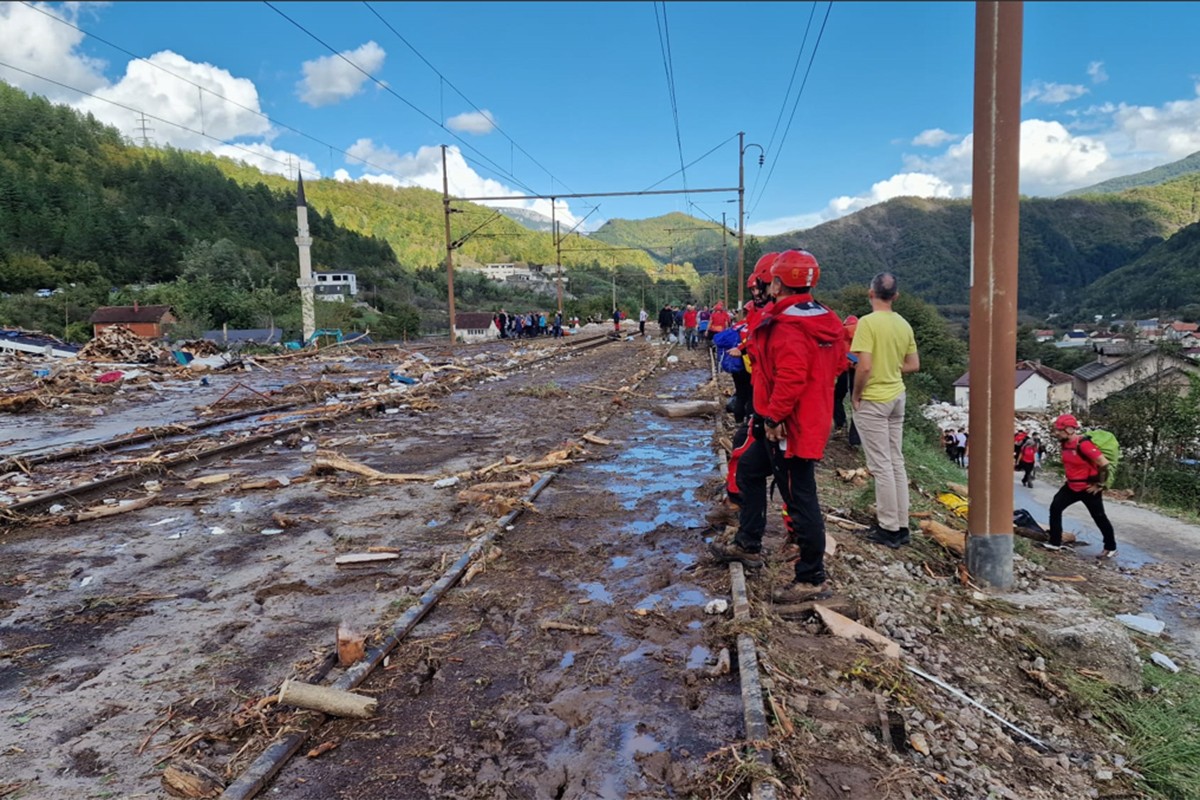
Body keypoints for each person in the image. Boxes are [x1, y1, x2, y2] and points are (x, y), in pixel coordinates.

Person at [710, 249, 845, 602]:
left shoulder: (786, 325)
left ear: (779, 282)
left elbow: (791, 375)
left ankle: (812, 578)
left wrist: (775, 417)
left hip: (788, 426)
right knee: (751, 472)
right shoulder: (825, 318)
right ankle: (748, 542)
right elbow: (838, 365)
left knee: (800, 497)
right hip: (805, 416)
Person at [851, 272, 920, 549]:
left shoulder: (867, 323)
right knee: (895, 461)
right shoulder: (903, 324)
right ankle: (901, 525)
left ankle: (888, 528)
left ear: (870, 293)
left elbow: (864, 366)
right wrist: (890, 366)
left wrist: (856, 395)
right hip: (897, 397)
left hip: (874, 400)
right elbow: (913, 364)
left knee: (881, 465)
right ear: (896, 297)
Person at [1044, 414, 1117, 559]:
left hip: (1088, 489)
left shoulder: (1083, 444)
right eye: (1056, 430)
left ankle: (1110, 547)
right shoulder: (1064, 444)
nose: (1056, 433)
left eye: (1059, 430)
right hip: (1071, 486)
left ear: (1070, 429)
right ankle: (1055, 542)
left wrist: (1100, 484)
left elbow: (1104, 463)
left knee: (1099, 517)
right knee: (1055, 507)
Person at [832, 315, 858, 431]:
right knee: (857, 400)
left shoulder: (840, 332)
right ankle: (856, 435)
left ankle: (840, 424)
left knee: (837, 397)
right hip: (856, 369)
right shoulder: (861, 332)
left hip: (842, 368)